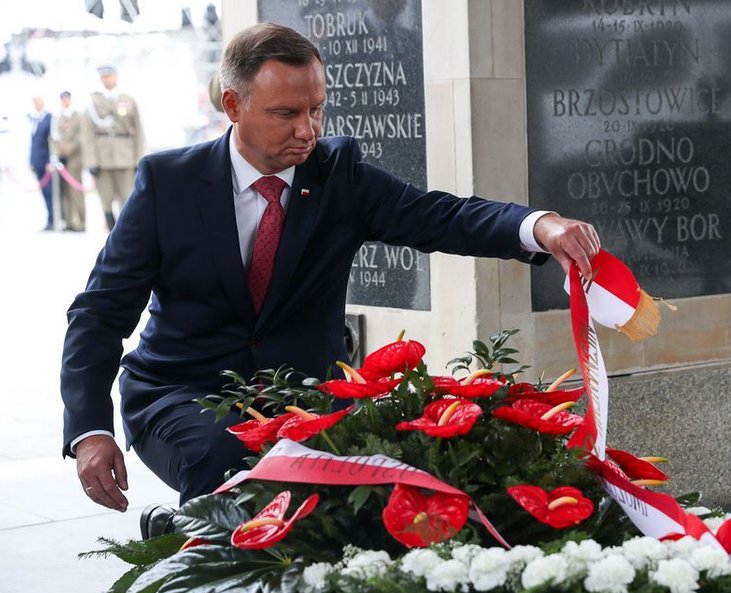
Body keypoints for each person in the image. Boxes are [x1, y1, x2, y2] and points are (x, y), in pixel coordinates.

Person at [61, 24, 600, 522]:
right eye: (286, 113)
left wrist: (540, 226)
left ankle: (177, 532)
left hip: (307, 394)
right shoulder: (168, 184)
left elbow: (442, 216)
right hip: (182, 393)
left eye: (317, 109)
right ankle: (196, 538)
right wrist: (89, 430)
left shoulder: (339, 176)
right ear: (234, 104)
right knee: (229, 458)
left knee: (391, 481)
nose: (308, 130)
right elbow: (99, 314)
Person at [81, 64, 145, 230]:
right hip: (102, 158)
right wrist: (91, 161)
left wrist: (139, 159)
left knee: (128, 197)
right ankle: (111, 230)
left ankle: (127, 231)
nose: (107, 79)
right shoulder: (93, 103)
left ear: (115, 76)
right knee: (105, 198)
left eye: (109, 75)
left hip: (126, 156)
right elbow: (87, 135)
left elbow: (138, 131)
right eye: (103, 76)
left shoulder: (128, 100)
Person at [50, 90, 86, 232]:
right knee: (64, 192)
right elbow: (53, 138)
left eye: (67, 98)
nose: (65, 101)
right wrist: (56, 153)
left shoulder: (78, 116)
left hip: (75, 158)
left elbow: (81, 136)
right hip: (61, 159)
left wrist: (68, 149)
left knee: (75, 190)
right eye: (62, 99)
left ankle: (81, 222)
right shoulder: (57, 117)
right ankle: (69, 222)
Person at [28, 95, 54, 231]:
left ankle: (53, 220)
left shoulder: (49, 118)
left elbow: (52, 141)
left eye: (38, 101)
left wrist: (50, 161)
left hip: (46, 162)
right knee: (44, 192)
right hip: (37, 161)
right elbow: (33, 143)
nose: (37, 104)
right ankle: (49, 219)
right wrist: (31, 161)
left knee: (50, 192)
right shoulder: (34, 119)